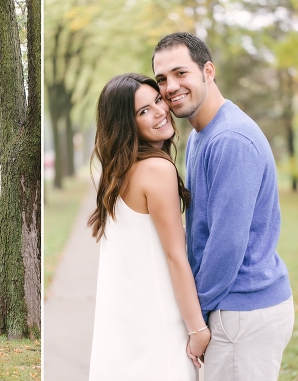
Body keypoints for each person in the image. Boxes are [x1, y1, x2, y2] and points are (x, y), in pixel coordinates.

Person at [152, 32, 293, 380]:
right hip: (232, 307)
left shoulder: (230, 140)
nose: (170, 86)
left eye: (181, 73)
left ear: (208, 71)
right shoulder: (202, 133)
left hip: (240, 311)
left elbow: (226, 244)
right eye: (162, 79)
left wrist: (195, 319)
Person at [87, 73, 209, 380]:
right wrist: (197, 330)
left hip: (124, 333)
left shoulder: (118, 172)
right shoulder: (157, 168)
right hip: (160, 331)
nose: (159, 111)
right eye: (143, 111)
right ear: (126, 124)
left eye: (157, 100)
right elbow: (174, 256)